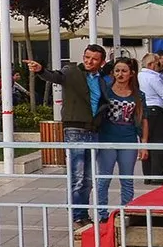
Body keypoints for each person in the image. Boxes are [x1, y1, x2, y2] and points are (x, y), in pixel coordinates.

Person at [60, 44, 109, 232]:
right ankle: (77, 216)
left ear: (101, 62)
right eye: (87, 57)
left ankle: (82, 213)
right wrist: (40, 70)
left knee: (88, 178)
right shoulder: (72, 72)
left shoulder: (101, 80)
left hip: (93, 130)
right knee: (78, 176)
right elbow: (56, 76)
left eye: (94, 59)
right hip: (75, 130)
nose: (89, 61)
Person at [94, 57, 147, 216]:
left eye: (124, 71)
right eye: (117, 71)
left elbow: (143, 119)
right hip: (106, 139)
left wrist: (144, 143)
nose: (120, 74)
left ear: (131, 73)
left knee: (127, 179)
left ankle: (126, 212)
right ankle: (102, 213)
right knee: (104, 179)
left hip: (128, 140)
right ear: (112, 73)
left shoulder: (139, 95)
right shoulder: (105, 91)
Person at [142, 53, 163, 180]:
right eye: (158, 63)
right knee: (159, 142)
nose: (160, 66)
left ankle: (148, 175)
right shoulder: (154, 78)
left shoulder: (139, 76)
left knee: (146, 142)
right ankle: (157, 175)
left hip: (144, 110)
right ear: (151, 64)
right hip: (157, 110)